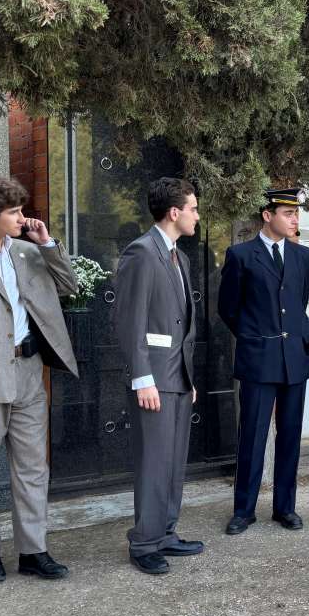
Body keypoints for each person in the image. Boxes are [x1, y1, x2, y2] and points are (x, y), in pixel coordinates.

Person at [0, 176, 78, 584]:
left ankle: (33, 550)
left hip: (30, 372)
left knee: (33, 468)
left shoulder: (30, 253)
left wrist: (47, 244)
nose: (23, 217)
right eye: (13, 212)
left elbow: (69, 285)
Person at [113, 177, 204, 575]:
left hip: (179, 379)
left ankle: (165, 533)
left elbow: (182, 325)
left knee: (173, 463)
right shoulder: (142, 253)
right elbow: (129, 321)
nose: (197, 216)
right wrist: (142, 378)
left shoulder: (178, 258)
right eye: (193, 208)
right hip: (153, 381)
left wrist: (189, 377)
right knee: (153, 462)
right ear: (174, 213)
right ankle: (144, 542)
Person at [217, 188, 309, 535]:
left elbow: (297, 304)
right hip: (259, 359)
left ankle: (284, 508)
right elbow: (228, 308)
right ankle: (243, 510)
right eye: (288, 213)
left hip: (295, 360)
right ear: (267, 215)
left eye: (296, 214)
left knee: (290, 436)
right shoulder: (241, 255)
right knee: (254, 436)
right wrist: (255, 336)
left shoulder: (302, 256)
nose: (294, 220)